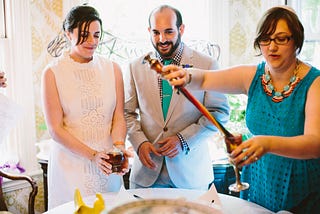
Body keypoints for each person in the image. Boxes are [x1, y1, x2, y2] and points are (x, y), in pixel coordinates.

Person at [163, 6, 320, 213]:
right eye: (266, 39)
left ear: (296, 41)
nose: (272, 47)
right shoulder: (253, 76)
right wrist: (186, 75)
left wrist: (267, 143)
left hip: (300, 186)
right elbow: (207, 78)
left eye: (281, 39)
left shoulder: (314, 83)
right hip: (259, 181)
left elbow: (315, 144)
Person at [124, 5, 229, 190]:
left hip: (191, 177)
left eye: (169, 32)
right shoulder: (134, 67)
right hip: (146, 178)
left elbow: (219, 113)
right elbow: (127, 113)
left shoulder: (207, 64)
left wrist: (183, 140)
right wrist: (139, 143)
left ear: (181, 29)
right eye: (155, 32)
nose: (162, 39)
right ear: (149, 31)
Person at [41, 5, 131, 209]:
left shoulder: (113, 69)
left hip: (107, 167)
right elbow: (55, 129)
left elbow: (118, 116)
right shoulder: (52, 73)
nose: (92, 41)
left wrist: (118, 148)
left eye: (96, 35)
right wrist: (92, 155)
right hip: (71, 168)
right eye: (84, 35)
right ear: (68, 33)